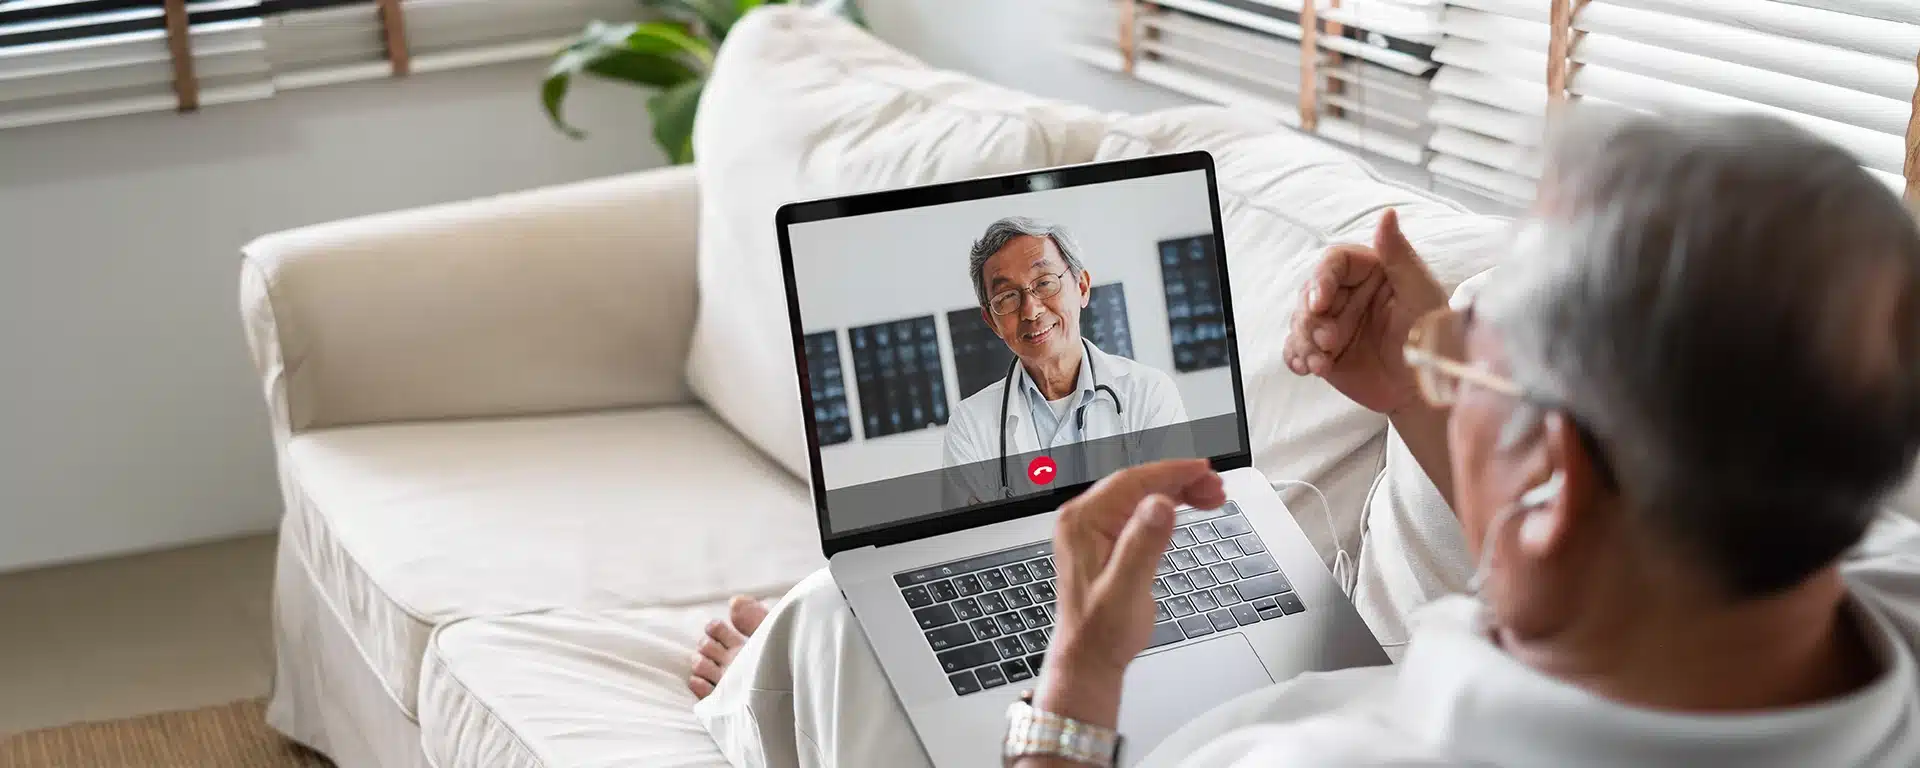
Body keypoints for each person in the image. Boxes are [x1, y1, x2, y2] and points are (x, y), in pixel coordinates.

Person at [687, 112, 1920, 766]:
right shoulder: (1883, 601)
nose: (1443, 358)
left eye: (1469, 358)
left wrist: (1074, 685)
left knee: (833, 640)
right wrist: (1427, 387)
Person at [942, 217, 1189, 502]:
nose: (1031, 310)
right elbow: (976, 541)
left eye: (1044, 283)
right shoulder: (969, 426)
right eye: (1007, 297)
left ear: (1082, 287)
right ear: (992, 321)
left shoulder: (1150, 392)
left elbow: (1172, 516)